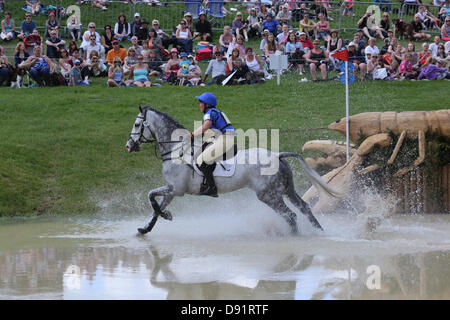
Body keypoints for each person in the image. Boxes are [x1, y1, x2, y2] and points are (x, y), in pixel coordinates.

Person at [191, 93, 236, 197]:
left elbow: (206, 126)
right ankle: (207, 183)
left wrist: (191, 135)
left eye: (201, 102)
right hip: (222, 138)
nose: (200, 105)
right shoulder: (215, 112)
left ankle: (212, 188)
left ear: (207, 105)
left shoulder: (210, 112)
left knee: (201, 160)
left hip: (224, 139)